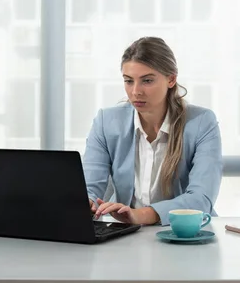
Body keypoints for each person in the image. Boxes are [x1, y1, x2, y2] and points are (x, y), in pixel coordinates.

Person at [82, 37, 223, 226]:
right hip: (127, 236)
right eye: (129, 81)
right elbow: (90, 188)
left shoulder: (201, 123)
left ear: (171, 79)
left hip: (185, 234)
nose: (136, 91)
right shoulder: (106, 123)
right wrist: (86, 203)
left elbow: (201, 198)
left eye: (147, 81)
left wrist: (141, 215)